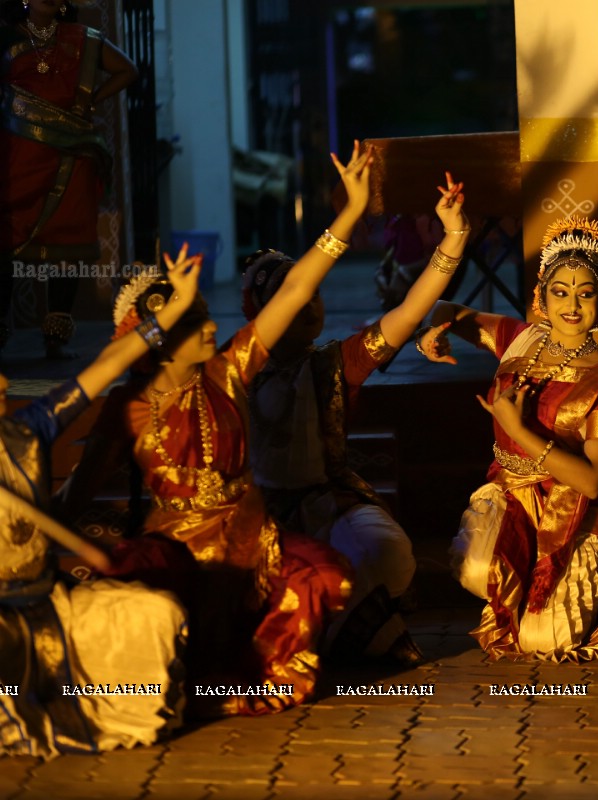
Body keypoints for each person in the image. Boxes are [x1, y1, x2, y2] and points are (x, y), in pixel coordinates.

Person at [59, 143, 374, 716]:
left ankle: (256, 679)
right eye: (194, 320)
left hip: (251, 531)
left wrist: (349, 214)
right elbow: (80, 493)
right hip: (176, 544)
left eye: (205, 314)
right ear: (157, 340)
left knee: (326, 575)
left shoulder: (230, 369)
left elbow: (297, 288)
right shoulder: (126, 406)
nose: (212, 326)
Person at [240, 171, 469, 665]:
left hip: (329, 501)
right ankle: (355, 635)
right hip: (252, 513)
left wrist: (455, 235)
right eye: (290, 298)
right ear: (259, 311)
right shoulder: (232, 368)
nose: (307, 304)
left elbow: (408, 313)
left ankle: (324, 634)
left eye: (312, 296)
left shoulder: (332, 363)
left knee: (386, 554)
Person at [1, 247, 199, 758]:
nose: (3, 381)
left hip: (49, 604)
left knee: (154, 612)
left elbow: (107, 364)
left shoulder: (32, 427)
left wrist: (171, 315)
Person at [416, 215, 598, 662]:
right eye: (560, 292)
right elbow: (449, 310)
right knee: (477, 569)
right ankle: (523, 574)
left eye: (585, 294)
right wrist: (432, 335)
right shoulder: (519, 338)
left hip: (575, 510)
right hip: (510, 491)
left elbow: (591, 483)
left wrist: (516, 429)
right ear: (542, 298)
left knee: (543, 641)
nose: (571, 305)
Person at [0, 0, 138, 358]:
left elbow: (128, 70)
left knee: (66, 246)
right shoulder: (4, 38)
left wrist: (89, 100)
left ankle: (55, 339)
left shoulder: (84, 39)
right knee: (7, 238)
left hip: (71, 155)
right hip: (18, 157)